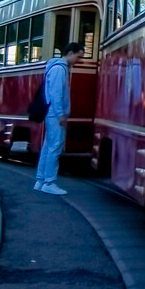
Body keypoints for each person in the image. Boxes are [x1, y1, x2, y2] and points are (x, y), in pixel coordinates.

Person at [34, 42, 84, 195]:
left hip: (52, 113)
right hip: (55, 114)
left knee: (48, 146)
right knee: (55, 147)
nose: (79, 60)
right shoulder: (59, 69)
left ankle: (41, 180)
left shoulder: (55, 67)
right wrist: (61, 114)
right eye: (78, 56)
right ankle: (49, 182)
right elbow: (56, 94)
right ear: (70, 53)